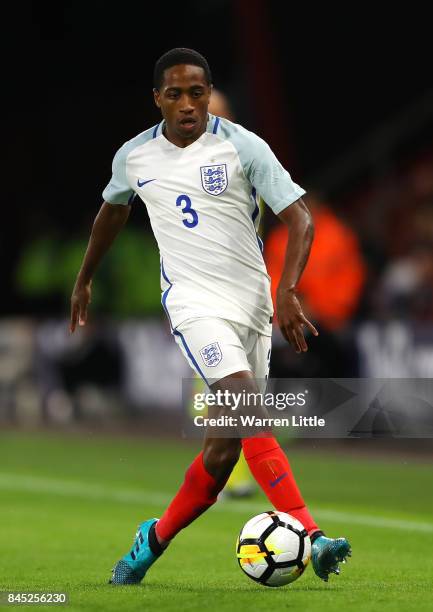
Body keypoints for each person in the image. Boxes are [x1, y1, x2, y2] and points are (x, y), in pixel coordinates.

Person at [70, 48, 351, 585]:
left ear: (209, 94)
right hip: (194, 303)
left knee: (222, 455)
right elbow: (113, 210)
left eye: (196, 92)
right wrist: (84, 278)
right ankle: (314, 536)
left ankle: (150, 541)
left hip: (252, 305)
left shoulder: (243, 146)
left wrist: (288, 289)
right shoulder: (134, 156)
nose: (186, 104)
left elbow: (302, 220)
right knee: (248, 410)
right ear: (157, 99)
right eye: (174, 94)